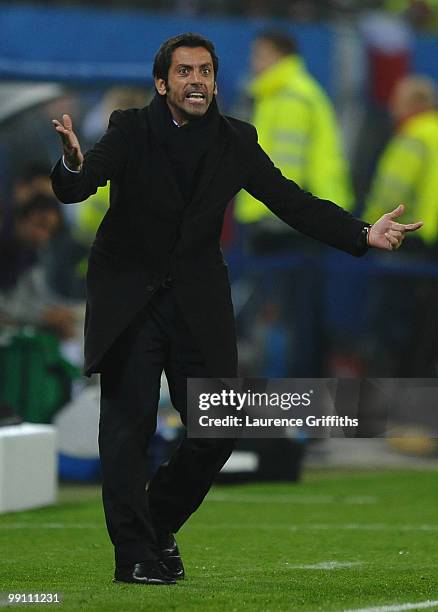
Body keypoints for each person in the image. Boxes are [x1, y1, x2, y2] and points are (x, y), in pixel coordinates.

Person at [50, 32, 422, 586]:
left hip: (197, 301)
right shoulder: (129, 129)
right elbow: (81, 185)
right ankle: (133, 555)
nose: (196, 80)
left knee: (217, 428)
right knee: (128, 429)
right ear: (162, 83)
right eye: (184, 72)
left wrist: (363, 232)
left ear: (215, 82)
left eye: (205, 71)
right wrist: (72, 164)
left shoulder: (237, 141)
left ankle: (154, 524)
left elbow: (291, 200)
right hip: (130, 299)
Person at [234, 30, 354, 377]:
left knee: (288, 316)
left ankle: (294, 408)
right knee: (296, 314)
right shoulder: (280, 95)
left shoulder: (291, 96)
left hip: (288, 225)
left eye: (260, 54)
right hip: (292, 221)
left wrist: (278, 217)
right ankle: (300, 405)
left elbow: (285, 167)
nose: (254, 62)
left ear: (279, 56)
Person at [364, 75, 438, 375]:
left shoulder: (413, 136)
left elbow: (391, 192)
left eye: (399, 98)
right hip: (432, 245)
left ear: (414, 104)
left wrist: (366, 226)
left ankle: (390, 401)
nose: (392, 105)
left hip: (408, 239)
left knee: (394, 325)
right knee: (426, 329)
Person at [0, 193, 75, 338]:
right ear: (20, 219)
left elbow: (36, 294)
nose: (43, 236)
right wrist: (43, 317)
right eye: (40, 225)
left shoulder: (31, 253)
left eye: (50, 231)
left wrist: (60, 313)